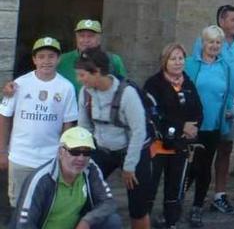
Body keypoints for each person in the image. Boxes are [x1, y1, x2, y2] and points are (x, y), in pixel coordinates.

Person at [76, 48, 152, 229]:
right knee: (84, 194)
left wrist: (130, 166)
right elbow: (84, 128)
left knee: (138, 206)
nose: (79, 79)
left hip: (132, 149)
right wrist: (81, 157)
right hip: (103, 148)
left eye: (82, 75)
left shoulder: (127, 94)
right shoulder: (85, 93)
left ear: (98, 72)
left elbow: (139, 131)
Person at [0, 37, 77, 206]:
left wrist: (63, 155)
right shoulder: (18, 84)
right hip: (20, 157)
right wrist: (2, 151)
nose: (46, 61)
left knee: (44, 204)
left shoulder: (66, 88)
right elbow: (4, 117)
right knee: (18, 205)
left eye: (51, 56)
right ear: (34, 59)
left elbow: (68, 124)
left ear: (58, 59)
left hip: (49, 159)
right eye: (41, 56)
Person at [192, 5, 234, 216]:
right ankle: (189, 197)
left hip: (231, 107)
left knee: (226, 149)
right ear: (222, 21)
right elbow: (197, 71)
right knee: (200, 155)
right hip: (208, 108)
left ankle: (219, 194)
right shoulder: (204, 41)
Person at [184, 25, 234, 226]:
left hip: (214, 125)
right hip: (191, 125)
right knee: (187, 167)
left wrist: (230, 108)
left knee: (204, 167)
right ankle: (175, 202)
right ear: (202, 43)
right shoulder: (190, 64)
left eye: (218, 42)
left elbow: (231, 93)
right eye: (211, 41)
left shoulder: (225, 67)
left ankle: (197, 207)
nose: (214, 45)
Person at [10, 127, 121, 229]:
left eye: (86, 152)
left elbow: (108, 202)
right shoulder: (41, 179)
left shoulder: (90, 168)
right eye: (75, 152)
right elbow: (24, 222)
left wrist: (86, 221)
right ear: (60, 152)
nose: (81, 158)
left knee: (112, 221)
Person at [144, 43, 203, 229]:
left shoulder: (188, 83)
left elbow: (198, 111)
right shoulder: (153, 84)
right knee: (148, 190)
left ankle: (171, 223)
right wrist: (180, 127)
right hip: (158, 146)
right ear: (164, 61)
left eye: (180, 58)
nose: (178, 62)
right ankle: (142, 223)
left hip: (180, 146)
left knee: (175, 190)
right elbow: (154, 114)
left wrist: (193, 128)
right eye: (173, 58)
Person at [56, 19, 127, 95]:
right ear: (76, 38)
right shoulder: (62, 60)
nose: (86, 40)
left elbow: (123, 89)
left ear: (99, 39)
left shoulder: (113, 60)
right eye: (82, 36)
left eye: (91, 36)